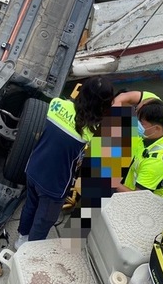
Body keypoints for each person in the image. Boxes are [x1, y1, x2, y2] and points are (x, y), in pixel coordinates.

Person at [15, 76, 114, 249]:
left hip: (34, 167)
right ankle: (30, 251)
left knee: (30, 205)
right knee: (44, 219)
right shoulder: (92, 131)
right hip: (55, 184)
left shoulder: (56, 104)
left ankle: (21, 239)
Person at [111, 98, 163, 198]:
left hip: (138, 200)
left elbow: (138, 197)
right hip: (126, 180)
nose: (136, 124)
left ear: (156, 128)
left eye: (141, 123)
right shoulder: (149, 136)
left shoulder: (156, 162)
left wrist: (112, 182)